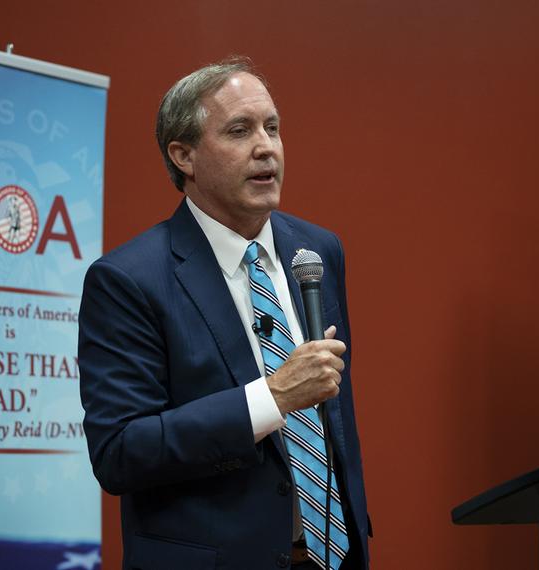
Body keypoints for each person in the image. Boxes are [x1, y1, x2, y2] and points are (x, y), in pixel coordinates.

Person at [78, 58, 371, 570]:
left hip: (332, 556)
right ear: (183, 155)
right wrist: (271, 398)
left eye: (272, 128)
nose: (267, 147)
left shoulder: (317, 252)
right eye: (240, 130)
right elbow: (121, 451)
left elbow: (333, 417)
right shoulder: (129, 279)